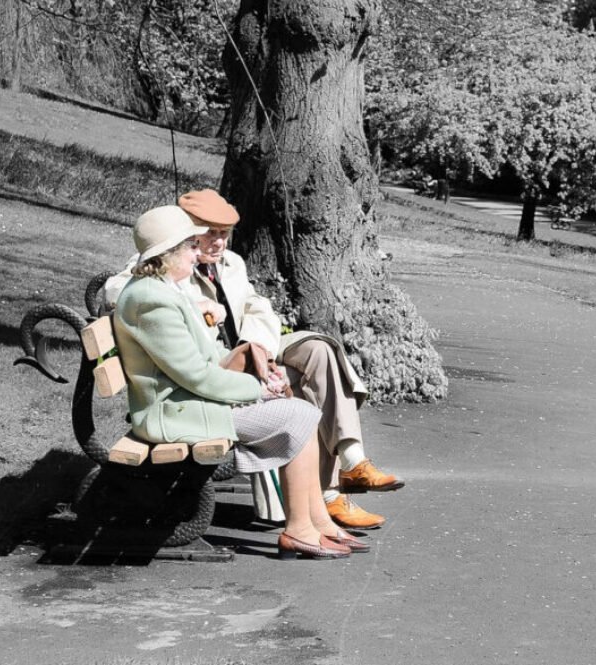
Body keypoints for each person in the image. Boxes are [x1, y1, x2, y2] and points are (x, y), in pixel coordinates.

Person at [105, 190, 404, 530]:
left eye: (224, 234)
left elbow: (257, 305)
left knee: (320, 350)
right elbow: (122, 289)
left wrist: (256, 345)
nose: (217, 243)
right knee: (295, 403)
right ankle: (325, 498)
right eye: (208, 234)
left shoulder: (231, 264)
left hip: (249, 347)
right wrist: (196, 306)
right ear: (186, 233)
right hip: (216, 365)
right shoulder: (160, 268)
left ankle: (352, 460)